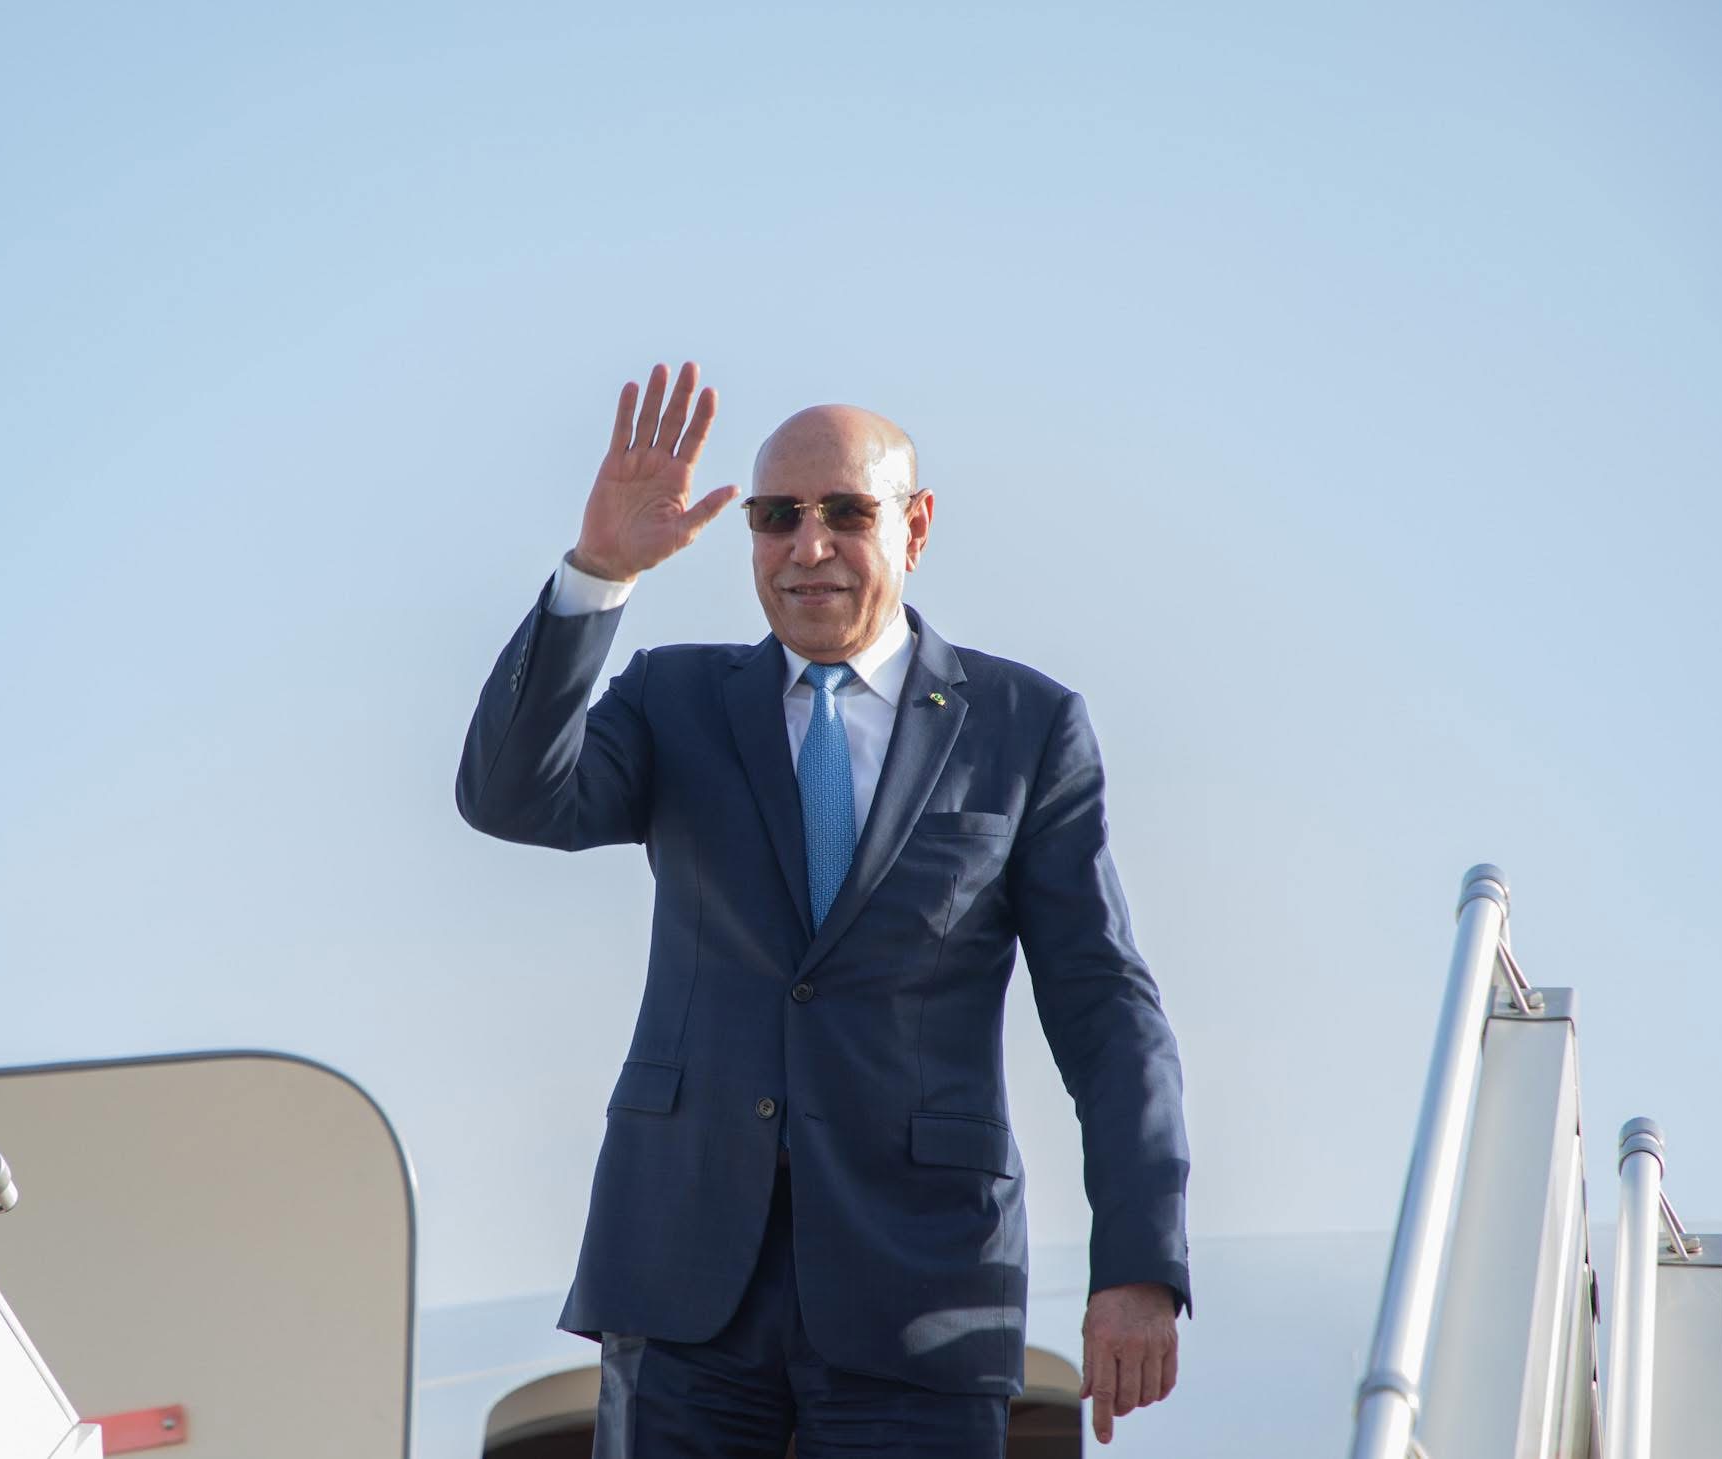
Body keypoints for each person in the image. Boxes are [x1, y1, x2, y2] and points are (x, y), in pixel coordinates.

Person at [457, 362, 1190, 1458]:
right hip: (682, 1281)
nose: (808, 546)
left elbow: (1104, 1009)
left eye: (846, 513)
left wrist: (1137, 1262)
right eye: (776, 516)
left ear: (914, 526)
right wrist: (597, 573)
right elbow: (509, 797)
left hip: (923, 1291)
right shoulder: (673, 698)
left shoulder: (1024, 726)